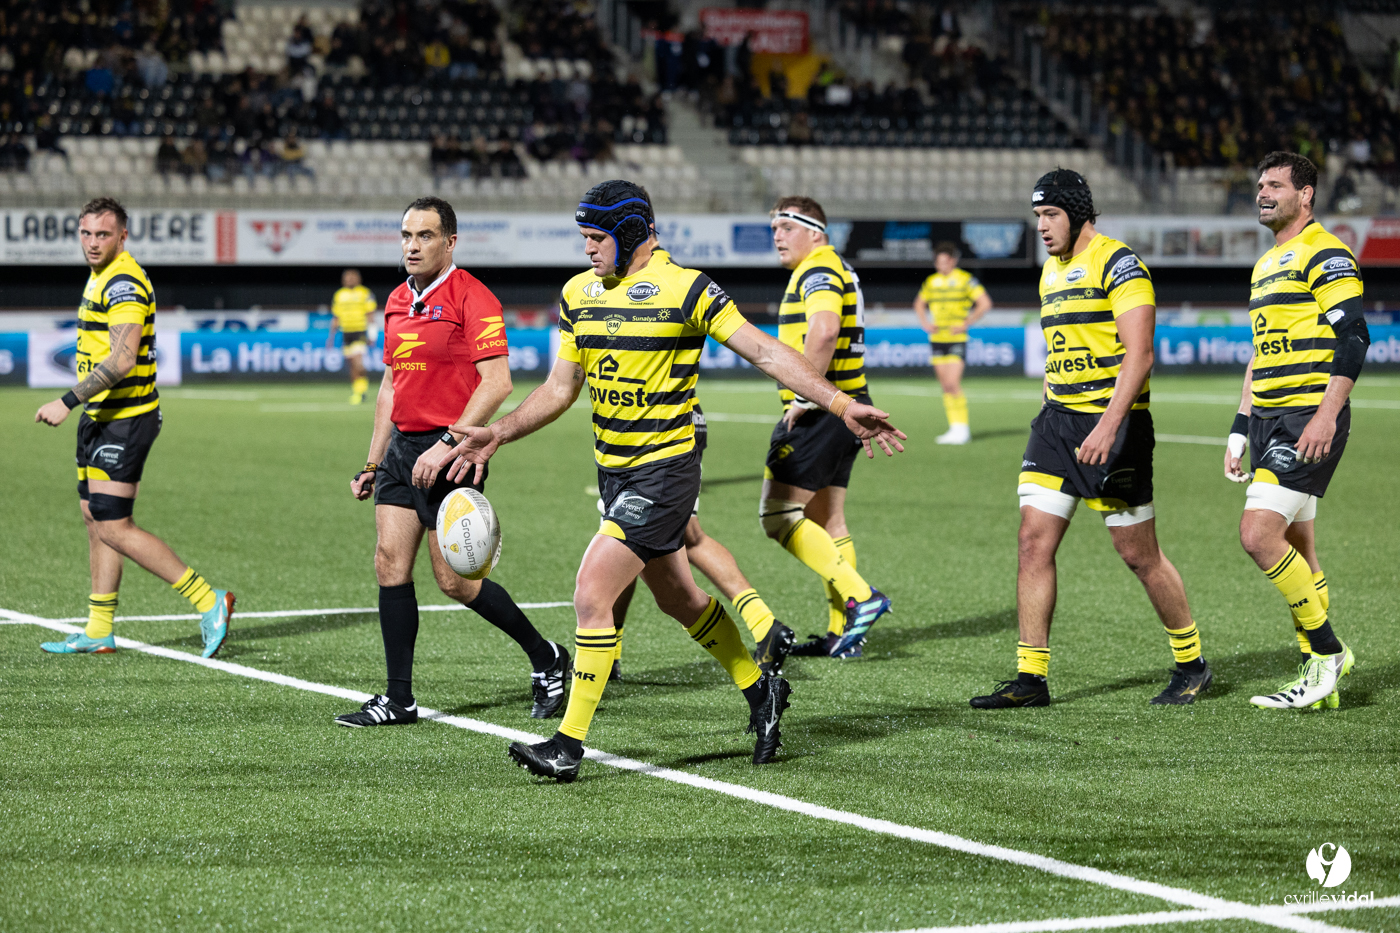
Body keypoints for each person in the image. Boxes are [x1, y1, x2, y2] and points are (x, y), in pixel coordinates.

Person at [439, 181, 905, 781]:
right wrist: (499, 432)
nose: (586, 249)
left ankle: (567, 745)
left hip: (666, 470)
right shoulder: (577, 294)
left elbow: (765, 352)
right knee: (678, 599)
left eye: (596, 237)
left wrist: (841, 406)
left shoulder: (689, 289)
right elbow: (560, 389)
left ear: (631, 231)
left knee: (591, 593)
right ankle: (760, 690)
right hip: (614, 471)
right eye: (583, 237)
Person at [968, 170, 1212, 709]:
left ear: (1078, 213)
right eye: (1037, 217)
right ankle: (1031, 679)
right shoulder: (1050, 273)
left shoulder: (1121, 264)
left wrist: (1107, 425)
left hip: (1116, 426)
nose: (1042, 227)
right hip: (1057, 424)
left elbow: (1140, 354)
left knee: (1137, 554)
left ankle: (1191, 663)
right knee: (1033, 541)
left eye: (1050, 215)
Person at [336, 197, 569, 728]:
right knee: (389, 564)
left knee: (455, 583)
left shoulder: (473, 297)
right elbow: (391, 387)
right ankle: (399, 699)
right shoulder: (396, 299)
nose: (412, 246)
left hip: (454, 454)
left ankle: (547, 657)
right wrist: (372, 463)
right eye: (405, 236)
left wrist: (448, 443)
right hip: (402, 452)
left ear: (450, 242)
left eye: (424, 236)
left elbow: (499, 382)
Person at [35, 198, 234, 657]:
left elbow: (123, 359)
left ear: (122, 236)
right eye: (85, 233)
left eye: (102, 235)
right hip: (101, 417)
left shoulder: (123, 280)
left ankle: (209, 602)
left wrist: (67, 402)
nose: (92, 243)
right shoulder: (100, 273)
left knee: (114, 524)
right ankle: (99, 629)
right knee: (95, 519)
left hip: (125, 419)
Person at [1225, 152, 1364, 710]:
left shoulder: (1325, 252)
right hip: (1267, 420)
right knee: (1300, 546)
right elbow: (1260, 354)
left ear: (1305, 195)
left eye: (1276, 185)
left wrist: (1328, 416)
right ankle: (1320, 666)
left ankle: (1327, 655)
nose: (1263, 192)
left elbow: (1354, 338)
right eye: (1260, 184)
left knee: (1258, 534)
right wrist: (1239, 426)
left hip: (1308, 417)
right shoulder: (1265, 264)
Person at [762, 197, 893, 661]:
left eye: (785, 226)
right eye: (773, 227)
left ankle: (861, 597)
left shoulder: (817, 268)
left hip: (822, 411)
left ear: (814, 232)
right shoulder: (834, 266)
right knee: (828, 520)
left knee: (777, 517)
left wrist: (803, 396)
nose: (776, 235)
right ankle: (842, 633)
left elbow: (823, 331)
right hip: (847, 406)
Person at [603, 388, 795, 679]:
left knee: (622, 541)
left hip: (646, 423)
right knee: (691, 536)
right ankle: (764, 624)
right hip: (683, 416)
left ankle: (606, 654)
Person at [913, 241, 992, 445]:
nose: (941, 266)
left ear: (953, 261)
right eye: (938, 262)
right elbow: (919, 304)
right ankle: (954, 428)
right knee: (945, 386)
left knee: (952, 383)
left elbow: (985, 303)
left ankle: (962, 428)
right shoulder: (931, 282)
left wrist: (966, 323)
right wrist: (924, 323)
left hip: (957, 338)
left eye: (945, 262)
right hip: (937, 339)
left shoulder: (965, 280)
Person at [327, 268, 376, 404]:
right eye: (347, 277)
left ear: (358, 279)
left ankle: (362, 390)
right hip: (346, 333)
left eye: (352, 277)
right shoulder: (339, 295)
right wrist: (330, 338)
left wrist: (372, 334)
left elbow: (370, 315)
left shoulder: (364, 293)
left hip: (360, 332)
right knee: (351, 365)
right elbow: (336, 317)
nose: (349, 280)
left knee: (358, 362)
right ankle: (358, 392)